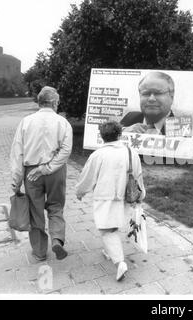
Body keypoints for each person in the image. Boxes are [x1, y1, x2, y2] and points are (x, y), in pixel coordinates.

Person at [75, 121, 146, 281]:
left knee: (106, 230)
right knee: (112, 226)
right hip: (125, 196)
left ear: (102, 136)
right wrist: (141, 195)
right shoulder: (130, 152)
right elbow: (138, 175)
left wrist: (80, 191)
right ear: (120, 134)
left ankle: (120, 262)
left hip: (105, 197)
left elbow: (88, 176)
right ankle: (109, 251)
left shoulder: (98, 155)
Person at [10, 86, 73, 261]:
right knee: (56, 206)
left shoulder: (26, 122)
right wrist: (47, 168)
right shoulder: (63, 123)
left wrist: (16, 182)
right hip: (56, 171)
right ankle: (57, 240)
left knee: (35, 211)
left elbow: (17, 153)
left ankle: (39, 251)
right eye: (58, 102)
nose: (58, 105)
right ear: (53, 102)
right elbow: (66, 151)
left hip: (31, 173)